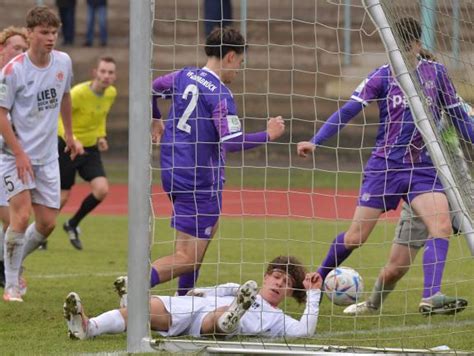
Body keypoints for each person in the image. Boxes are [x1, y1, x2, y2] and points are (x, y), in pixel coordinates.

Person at [297, 17, 473, 315]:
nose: (400, 53)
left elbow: (460, 119)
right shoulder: (381, 76)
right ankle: (319, 276)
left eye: (405, 47)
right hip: (385, 168)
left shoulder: (436, 74)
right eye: (394, 47)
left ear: (417, 45)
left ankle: (431, 296)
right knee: (355, 237)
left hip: (423, 169)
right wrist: (316, 141)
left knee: (440, 226)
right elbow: (348, 110)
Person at [149, 27, 285, 296]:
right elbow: (232, 142)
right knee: (187, 257)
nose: (238, 71)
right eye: (240, 64)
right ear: (231, 57)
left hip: (173, 171)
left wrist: (155, 117)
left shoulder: (184, 76)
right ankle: (138, 282)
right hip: (200, 180)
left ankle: (184, 297)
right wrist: (268, 134)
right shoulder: (221, 95)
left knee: (202, 236)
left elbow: (152, 87)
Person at [344, 99, 474, 316]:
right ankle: (372, 305)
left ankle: (431, 296)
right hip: (421, 193)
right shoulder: (407, 106)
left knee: (446, 230)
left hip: (460, 194)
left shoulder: (454, 106)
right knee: (396, 268)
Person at [0, 6, 79, 302]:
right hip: (13, 155)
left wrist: (70, 135)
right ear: (30, 33)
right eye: (44, 33)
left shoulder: (63, 62)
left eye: (54, 32)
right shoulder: (13, 71)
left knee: (46, 224)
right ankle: (11, 286)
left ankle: (11, 263)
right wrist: (19, 154)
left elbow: (66, 95)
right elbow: (1, 114)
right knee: (19, 218)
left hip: (47, 157)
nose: (50, 38)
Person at [64, 256, 322, 340]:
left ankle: (231, 318)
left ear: (290, 293)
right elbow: (205, 291)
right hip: (191, 307)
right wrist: (203, 292)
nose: (279, 283)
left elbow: (305, 331)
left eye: (286, 283)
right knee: (142, 310)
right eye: (277, 276)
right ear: (266, 277)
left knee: (221, 316)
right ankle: (88, 326)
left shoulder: (278, 319)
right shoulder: (238, 288)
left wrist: (313, 294)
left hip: (213, 320)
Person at [57, 55, 117, 250]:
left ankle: (72, 224)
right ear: (95, 73)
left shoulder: (111, 93)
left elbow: (102, 117)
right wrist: (71, 138)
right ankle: (41, 231)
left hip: (90, 149)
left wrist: (101, 136)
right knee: (62, 197)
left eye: (110, 72)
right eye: (103, 71)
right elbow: (58, 118)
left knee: (102, 190)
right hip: (68, 147)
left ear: (114, 76)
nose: (106, 76)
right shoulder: (78, 93)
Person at [0, 26, 29, 288]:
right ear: (2, 48)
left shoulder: (21, 78)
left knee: (14, 219)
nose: (19, 53)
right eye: (15, 48)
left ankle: (9, 271)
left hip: (6, 157)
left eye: (23, 49)